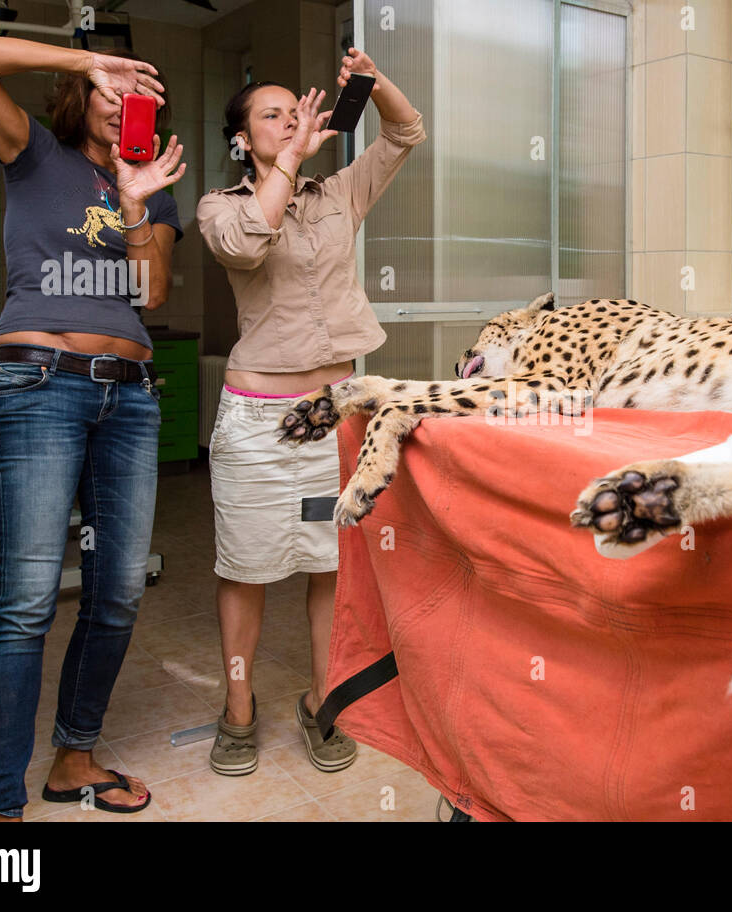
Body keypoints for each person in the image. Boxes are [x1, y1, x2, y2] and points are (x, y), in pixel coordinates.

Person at [0, 34, 186, 818]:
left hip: (131, 397)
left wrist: (137, 202)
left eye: (137, 98)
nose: (122, 107)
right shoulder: (35, 152)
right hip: (39, 381)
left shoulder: (154, 185)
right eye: (112, 92)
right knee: (27, 599)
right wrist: (82, 60)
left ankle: (73, 760)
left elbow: (151, 295)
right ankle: (1, 810)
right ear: (83, 95)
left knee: (116, 593)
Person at [197, 48, 424, 775]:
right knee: (247, 567)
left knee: (330, 564)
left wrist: (373, 79)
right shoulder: (221, 207)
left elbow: (404, 134)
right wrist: (289, 164)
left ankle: (321, 701)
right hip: (258, 421)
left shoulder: (339, 195)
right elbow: (249, 245)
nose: (291, 119)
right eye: (273, 114)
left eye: (296, 109)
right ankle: (238, 711)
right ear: (243, 138)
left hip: (335, 416)